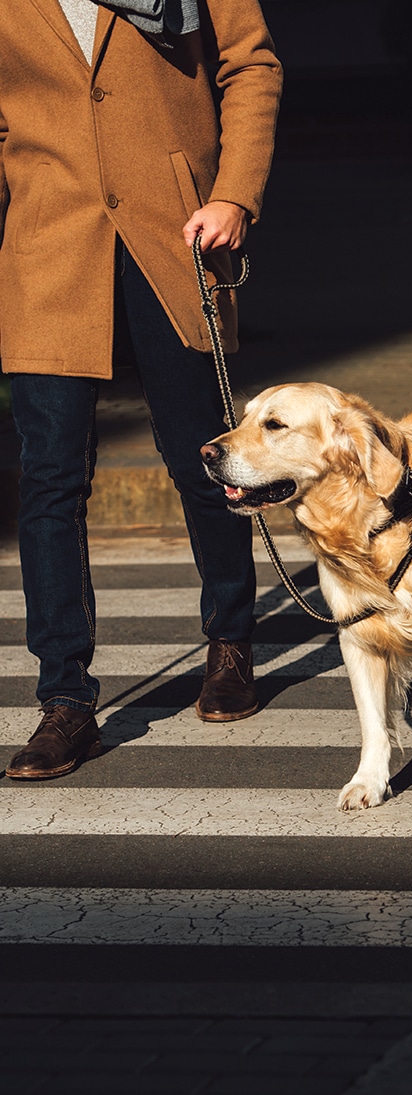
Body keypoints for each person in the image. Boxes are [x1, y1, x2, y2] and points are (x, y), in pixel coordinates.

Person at [0, 0, 283, 779]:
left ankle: (230, 639)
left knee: (205, 456)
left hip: (173, 230)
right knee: (51, 477)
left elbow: (251, 64)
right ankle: (65, 701)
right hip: (48, 244)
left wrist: (234, 192)